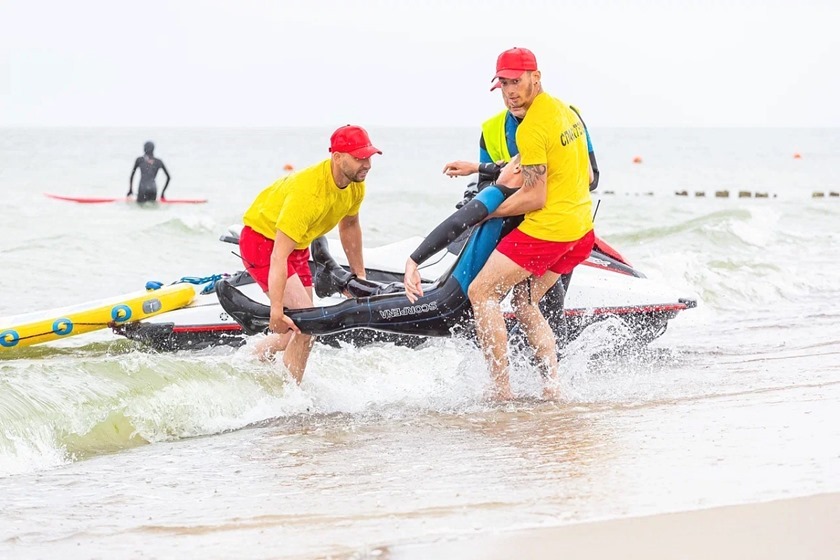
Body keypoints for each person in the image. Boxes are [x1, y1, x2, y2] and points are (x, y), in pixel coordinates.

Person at [461, 47, 595, 401]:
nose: (510, 91)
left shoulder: (533, 126)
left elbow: (534, 197)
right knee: (525, 302)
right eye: (503, 84)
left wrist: (486, 213)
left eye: (516, 82)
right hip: (581, 229)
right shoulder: (565, 111)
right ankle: (553, 384)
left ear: (536, 77)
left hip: (550, 228)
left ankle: (500, 391)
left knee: (481, 292)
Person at [238, 125, 381, 383]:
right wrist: (276, 309)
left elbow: (349, 226)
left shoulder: (355, 185)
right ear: (337, 157)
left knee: (293, 332)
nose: (367, 164)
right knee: (307, 325)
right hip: (262, 242)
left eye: (369, 156)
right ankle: (289, 397)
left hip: (297, 246)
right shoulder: (309, 193)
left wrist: (359, 275)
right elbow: (278, 256)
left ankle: (244, 364)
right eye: (359, 157)